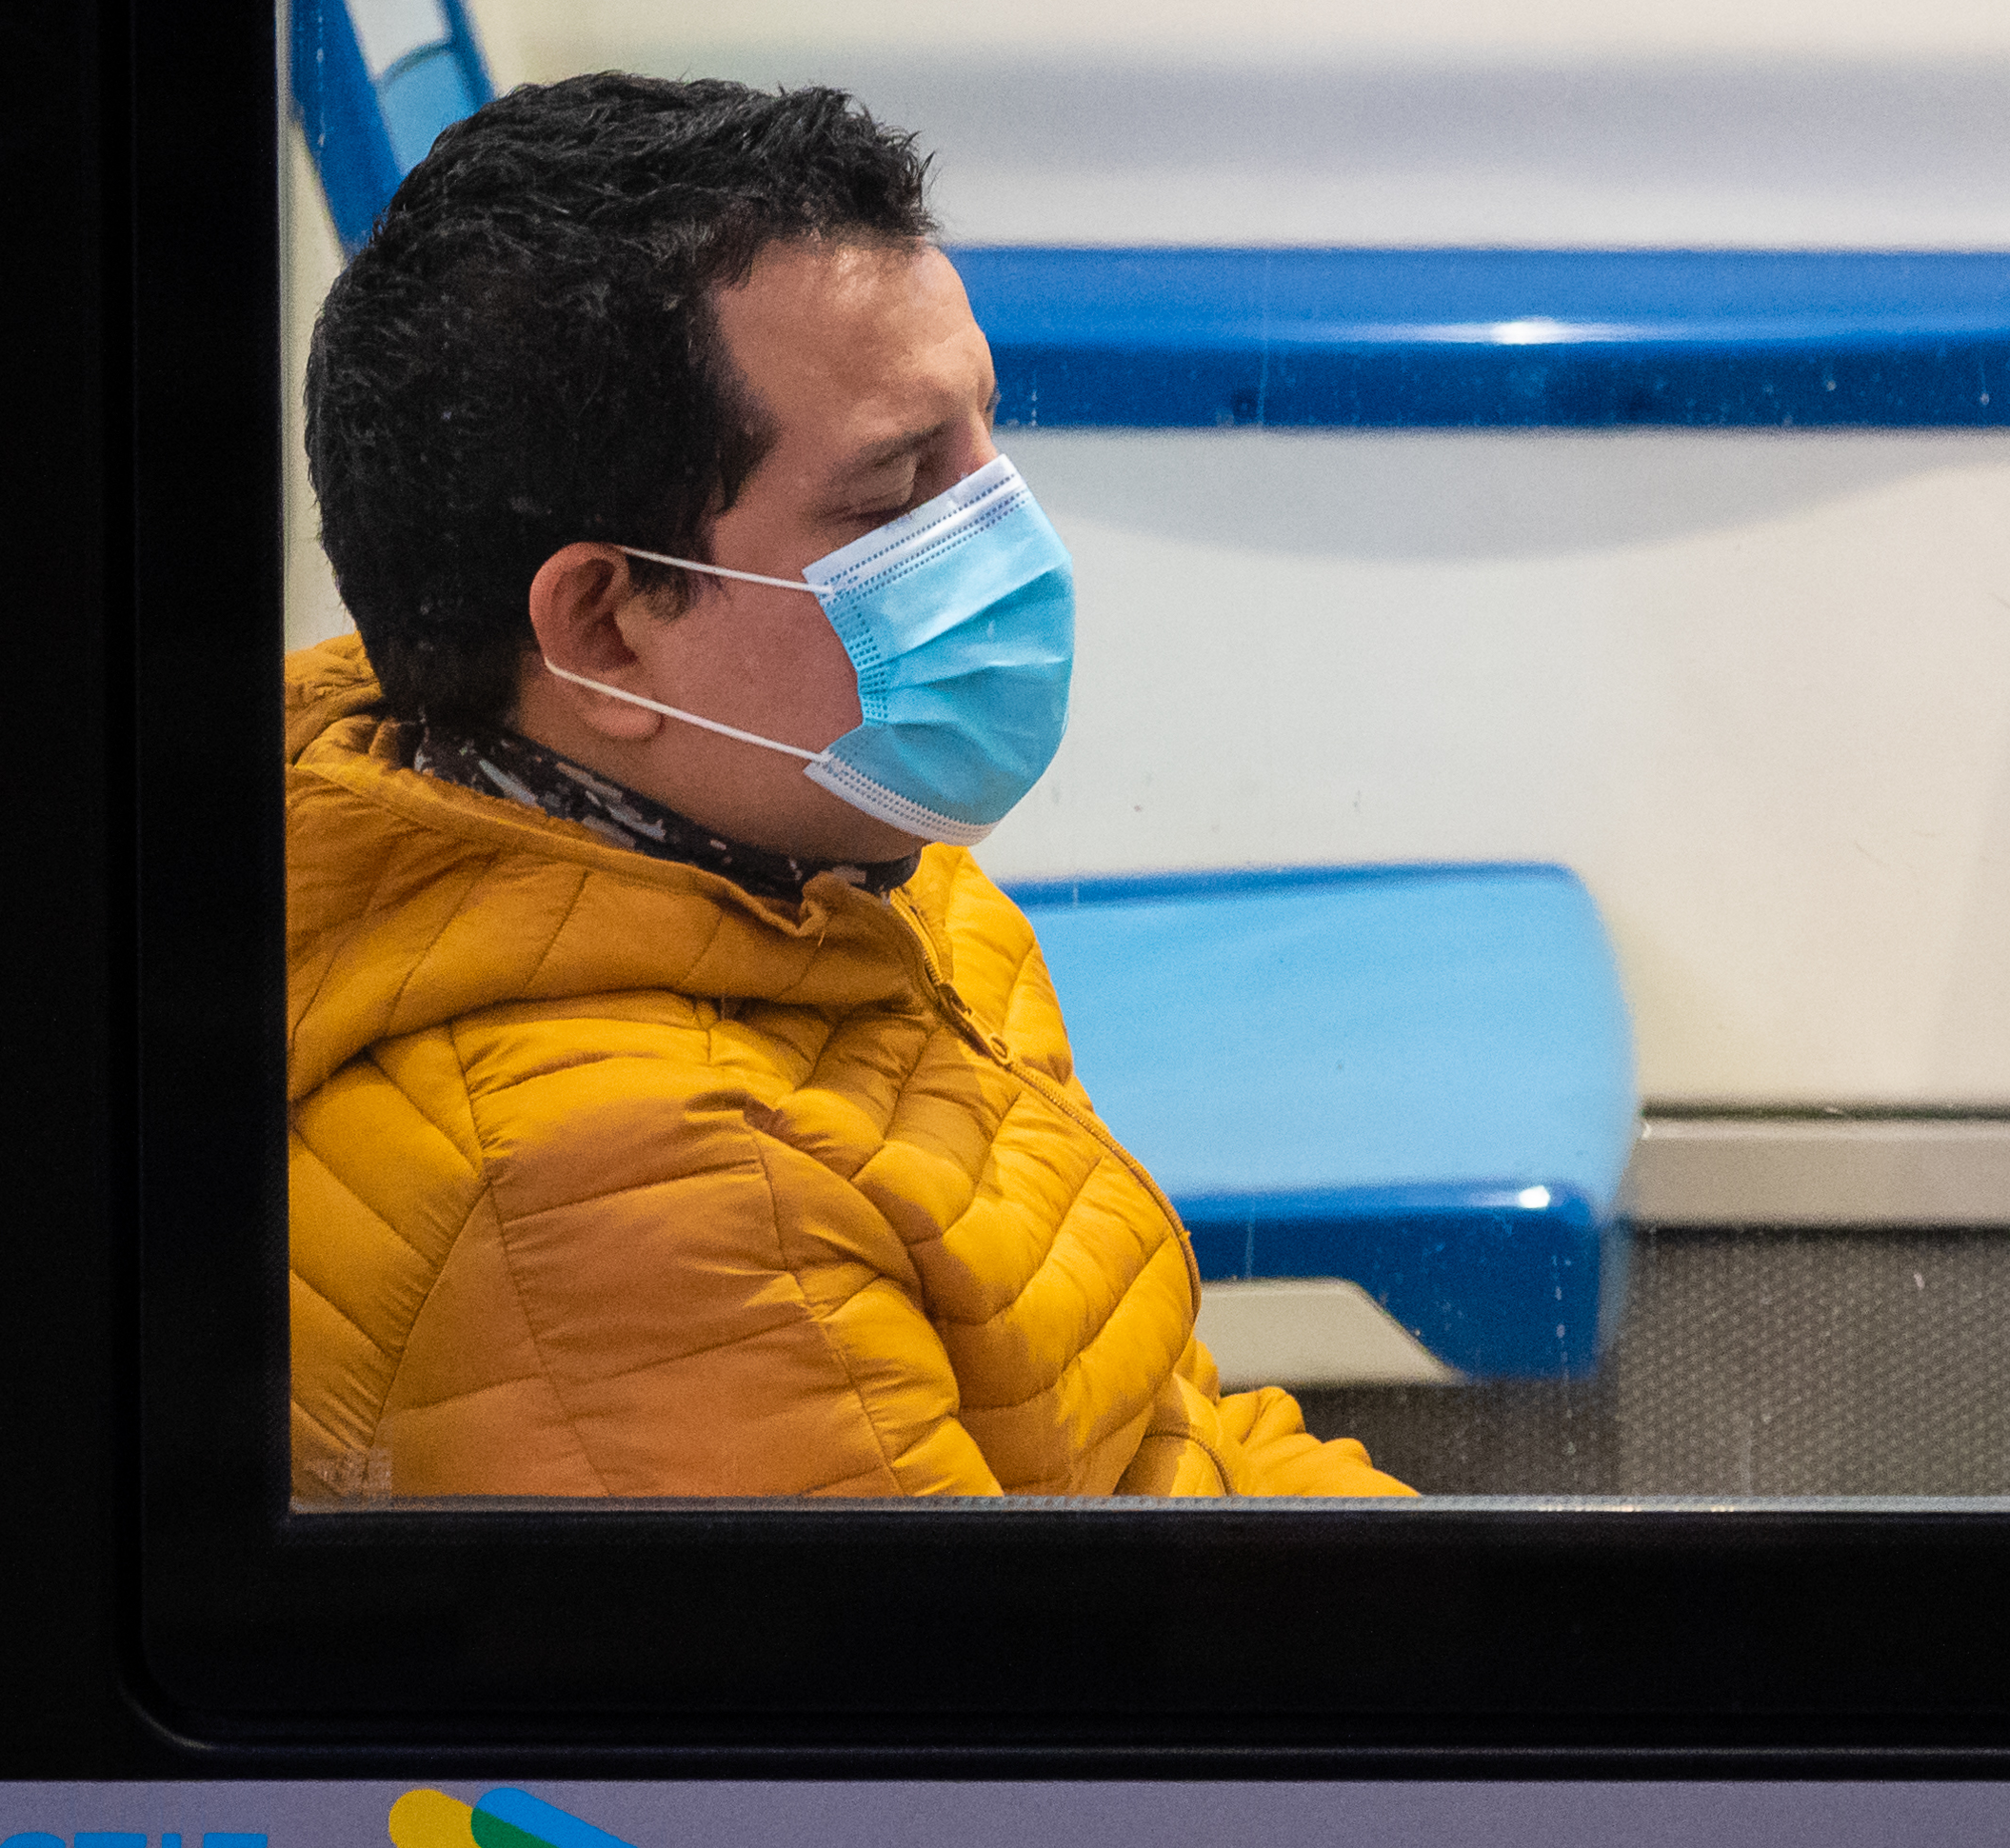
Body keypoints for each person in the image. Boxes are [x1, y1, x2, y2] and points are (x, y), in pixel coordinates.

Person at [287, 72, 1405, 1500]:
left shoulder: (828, 854)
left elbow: (1165, 1438)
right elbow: (1000, 1710)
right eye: (893, 495)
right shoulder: (641, 1205)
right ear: (607, 625)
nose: (1005, 532)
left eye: (986, 440)